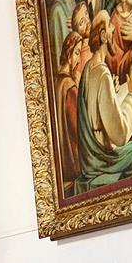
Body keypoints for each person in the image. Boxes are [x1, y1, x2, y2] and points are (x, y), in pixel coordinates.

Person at [74, 11, 132, 194]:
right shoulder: (102, 73)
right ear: (104, 36)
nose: (114, 29)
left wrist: (115, 93)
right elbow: (119, 135)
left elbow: (97, 111)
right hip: (101, 160)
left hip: (91, 157)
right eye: (111, 28)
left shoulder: (90, 67)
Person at [56, 30, 88, 186]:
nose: (78, 59)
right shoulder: (70, 88)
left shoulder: (56, 81)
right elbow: (78, 130)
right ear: (68, 52)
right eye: (76, 53)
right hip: (72, 163)